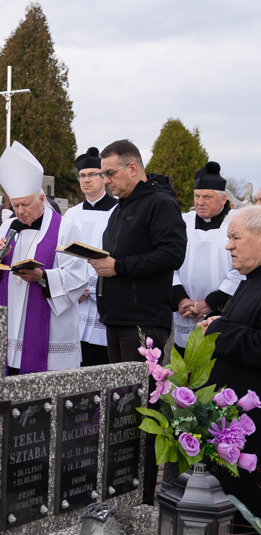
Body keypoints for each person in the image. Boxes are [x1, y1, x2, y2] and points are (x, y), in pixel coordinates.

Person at [91, 139, 186, 505]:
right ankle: (120, 491)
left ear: (133, 168)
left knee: (141, 414)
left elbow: (172, 253)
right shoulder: (120, 209)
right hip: (117, 321)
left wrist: (119, 266)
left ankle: (142, 499)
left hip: (143, 324)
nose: (106, 180)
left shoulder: (159, 203)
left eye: (110, 173)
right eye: (103, 174)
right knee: (121, 415)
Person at [0, 141, 87, 374]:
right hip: (8, 328)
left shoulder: (66, 228)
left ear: (42, 199)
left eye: (26, 204)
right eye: (16, 205)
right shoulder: (6, 227)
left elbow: (77, 277)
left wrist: (42, 277)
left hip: (48, 335)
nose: (20, 211)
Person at [200, 205, 261, 535]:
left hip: (254, 432)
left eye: (235, 238)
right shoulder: (250, 279)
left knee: (245, 524)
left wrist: (219, 331)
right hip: (232, 423)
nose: (228, 246)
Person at [172, 161, 243, 356]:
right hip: (184, 312)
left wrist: (212, 302)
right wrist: (180, 299)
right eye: (197, 196)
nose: (200, 202)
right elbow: (170, 260)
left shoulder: (236, 222)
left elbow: (243, 266)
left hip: (222, 308)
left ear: (223, 199)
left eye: (207, 197)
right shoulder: (182, 222)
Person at [63, 147, 117, 366]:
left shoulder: (118, 211)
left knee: (99, 361)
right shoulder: (71, 214)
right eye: (82, 175)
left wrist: (90, 286)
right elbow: (63, 253)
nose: (86, 180)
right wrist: (74, 286)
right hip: (75, 300)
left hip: (102, 298)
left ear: (104, 177)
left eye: (92, 174)